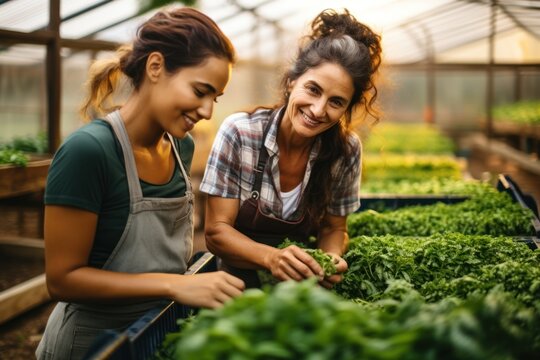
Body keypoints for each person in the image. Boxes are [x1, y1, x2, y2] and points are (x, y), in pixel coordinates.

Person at [36, 7, 245, 360]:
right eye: (200, 91)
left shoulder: (181, 146)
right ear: (155, 67)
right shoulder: (89, 152)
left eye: (216, 98)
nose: (208, 111)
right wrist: (176, 284)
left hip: (154, 335)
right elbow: (61, 279)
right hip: (92, 346)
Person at [200, 8, 382, 289]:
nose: (318, 110)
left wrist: (329, 259)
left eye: (336, 102)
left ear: (347, 108)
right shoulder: (241, 133)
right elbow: (216, 232)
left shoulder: (346, 150)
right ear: (291, 82)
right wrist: (272, 258)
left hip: (301, 291)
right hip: (236, 292)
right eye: (313, 89)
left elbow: (334, 227)